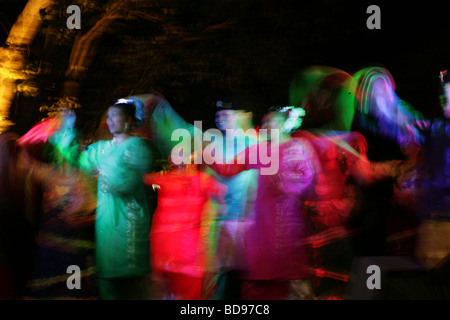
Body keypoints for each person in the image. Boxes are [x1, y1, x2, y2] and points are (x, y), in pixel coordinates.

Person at [49, 100, 153, 299]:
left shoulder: (138, 146)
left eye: (116, 115)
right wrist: (66, 131)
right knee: (106, 278)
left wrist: (100, 170)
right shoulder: (102, 148)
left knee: (129, 282)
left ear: (129, 119)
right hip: (106, 222)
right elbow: (77, 163)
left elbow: (126, 183)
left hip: (128, 221)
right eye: (109, 116)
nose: (110, 120)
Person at [210, 106, 316, 300]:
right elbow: (229, 169)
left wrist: (284, 183)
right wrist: (209, 156)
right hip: (262, 226)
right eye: (265, 122)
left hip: (288, 224)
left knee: (287, 279)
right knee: (260, 280)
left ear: (284, 125)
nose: (266, 125)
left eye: (271, 121)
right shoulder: (258, 150)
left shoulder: (297, 147)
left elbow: (308, 178)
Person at [144, 152, 226, 300]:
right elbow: (222, 199)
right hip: (189, 258)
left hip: (164, 256)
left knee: (171, 295)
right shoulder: (203, 180)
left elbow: (146, 179)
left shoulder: (164, 179)